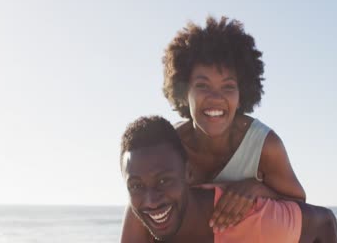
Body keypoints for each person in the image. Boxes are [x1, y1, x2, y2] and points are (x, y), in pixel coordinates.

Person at [121, 16, 306, 242]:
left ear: (242, 93)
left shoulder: (265, 146)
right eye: (202, 85)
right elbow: (143, 203)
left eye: (228, 87)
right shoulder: (170, 145)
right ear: (184, 91)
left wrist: (255, 189)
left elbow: (300, 208)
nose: (215, 98)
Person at [120, 116, 337, 243]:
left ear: (188, 173)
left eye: (163, 181)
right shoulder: (141, 220)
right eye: (136, 186)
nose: (150, 200)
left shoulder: (249, 220)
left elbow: (324, 222)